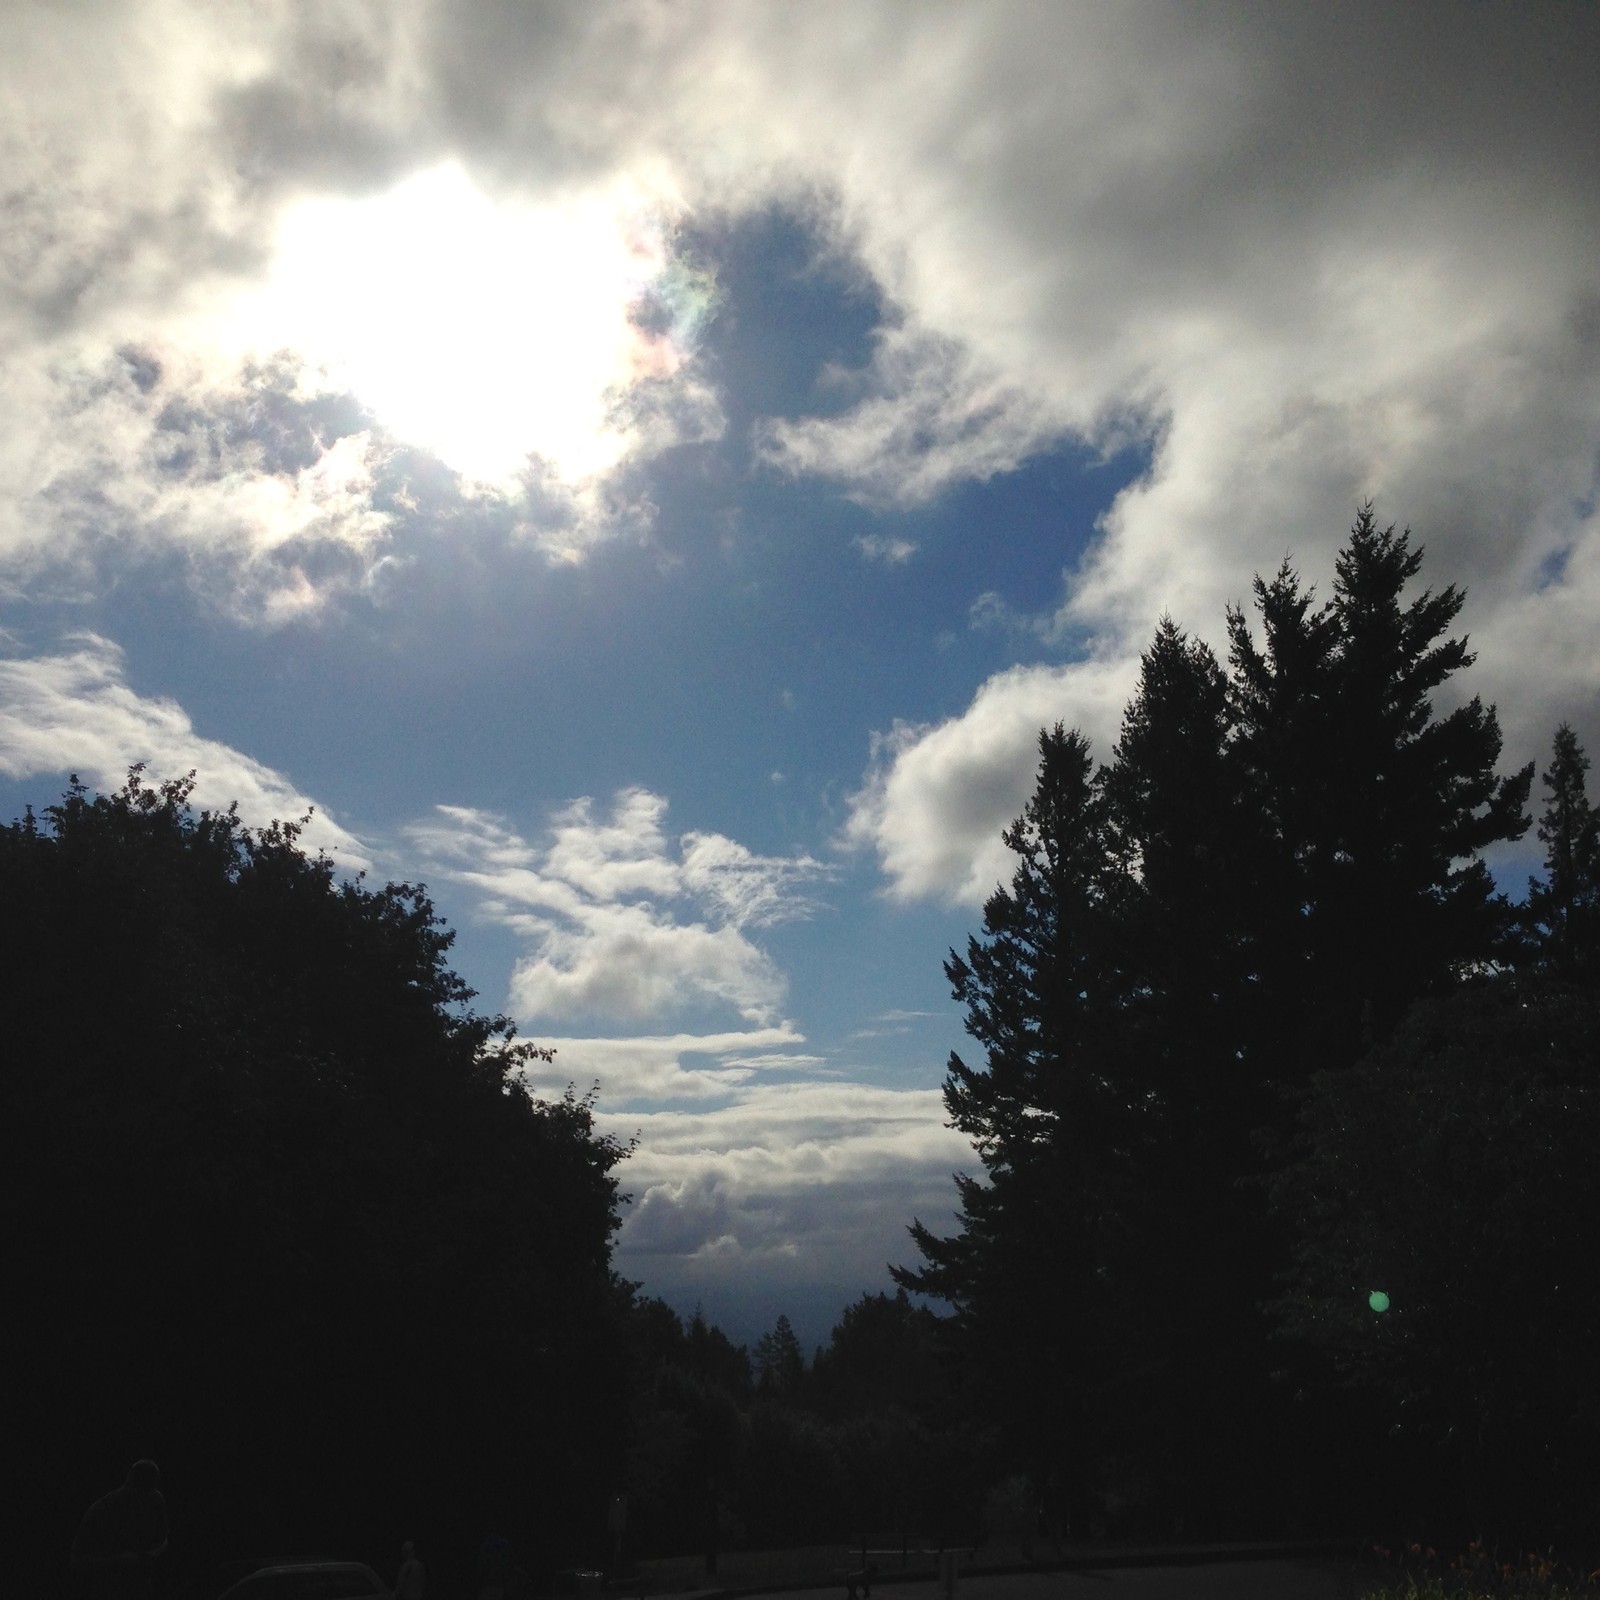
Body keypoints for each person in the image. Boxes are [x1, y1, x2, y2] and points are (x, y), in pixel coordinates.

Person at [70, 1460, 168, 1600]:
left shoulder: (155, 1500)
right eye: (139, 1494)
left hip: (142, 1590)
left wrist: (151, 1554)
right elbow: (76, 1562)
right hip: (108, 1592)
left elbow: (163, 1539)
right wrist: (116, 1562)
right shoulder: (101, 1511)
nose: (141, 1501)